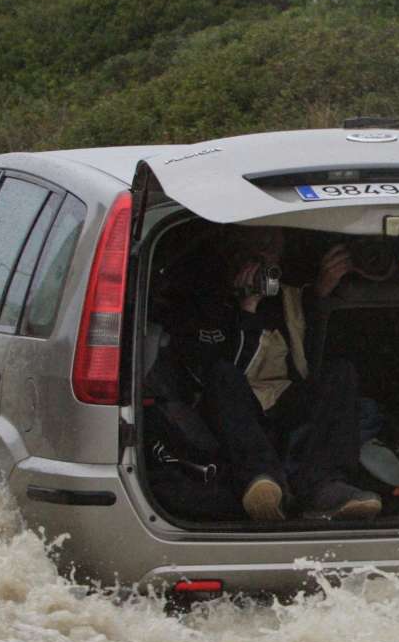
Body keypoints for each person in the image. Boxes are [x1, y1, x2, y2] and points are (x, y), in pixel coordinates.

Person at [154, 224, 382, 523]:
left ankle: (324, 487)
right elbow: (217, 373)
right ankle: (264, 485)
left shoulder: (289, 297)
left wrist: (322, 290)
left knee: (341, 372)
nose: (264, 252)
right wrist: (247, 308)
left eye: (272, 244)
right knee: (223, 375)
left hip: (284, 402)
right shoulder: (206, 303)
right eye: (255, 245)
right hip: (235, 412)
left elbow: (310, 358)